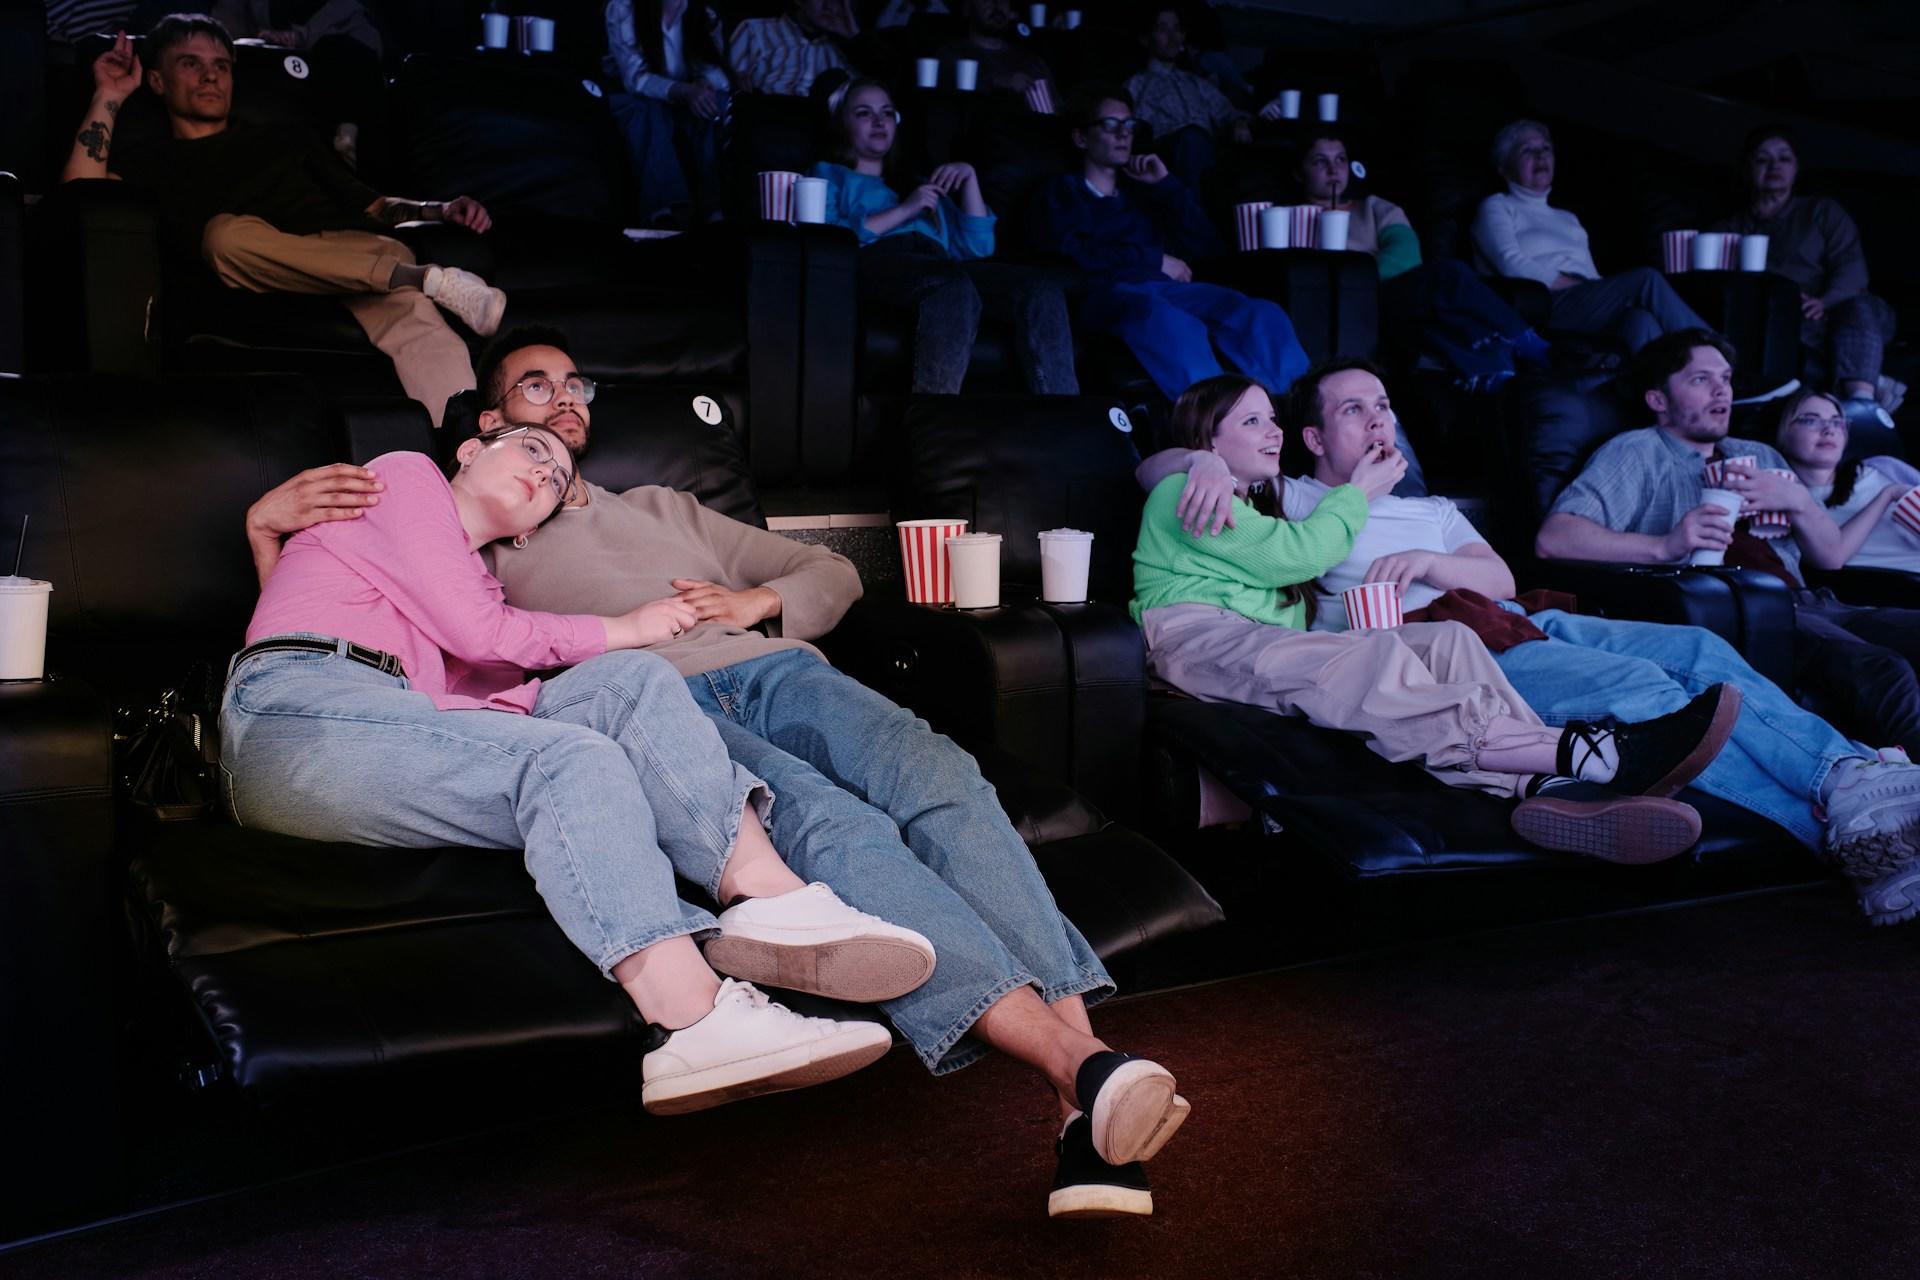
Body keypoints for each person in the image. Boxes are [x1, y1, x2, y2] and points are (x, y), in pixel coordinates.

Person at [244, 328, 1191, 1220]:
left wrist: (758, 601)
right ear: (480, 432)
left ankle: (1084, 1076)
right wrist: (266, 529)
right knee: (829, 829)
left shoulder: (660, 505)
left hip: (771, 668)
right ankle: (1078, 1073)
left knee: (942, 775)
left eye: (576, 391)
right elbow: (403, 643)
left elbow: (830, 576)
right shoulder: (463, 546)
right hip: (664, 704)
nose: (561, 411)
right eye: (535, 394)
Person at [224, 413, 953, 1116]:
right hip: (297, 712)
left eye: (556, 475)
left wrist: (625, 664)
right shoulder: (406, 479)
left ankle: (766, 895)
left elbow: (492, 689)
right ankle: (694, 1021)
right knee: (566, 758)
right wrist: (626, 625)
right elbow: (474, 639)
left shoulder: (474, 584)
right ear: (470, 452)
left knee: (627, 683)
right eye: (531, 450)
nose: (545, 469)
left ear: (527, 531)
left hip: (397, 719)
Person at [1141, 357, 1920, 925]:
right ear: (1311, 435)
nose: (1379, 420)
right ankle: (1852, 824)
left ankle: (1848, 781)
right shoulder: (1297, 497)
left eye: (1385, 404)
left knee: (1703, 654)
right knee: (1654, 695)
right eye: (1355, 411)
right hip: (1447, 634)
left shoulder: (1436, 505)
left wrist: (1430, 557)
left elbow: (1502, 574)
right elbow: (1173, 468)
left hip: (1512, 614)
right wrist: (1198, 456)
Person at [1131, 371, 1736, 862]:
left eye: (1271, 416)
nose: (1274, 431)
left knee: (1447, 640)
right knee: (1376, 656)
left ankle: (1542, 784)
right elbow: (1302, 554)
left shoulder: (1252, 503)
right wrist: (1195, 462)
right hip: (1198, 634)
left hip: (1262, 636)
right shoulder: (1192, 492)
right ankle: (1588, 754)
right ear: (1208, 437)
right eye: (1252, 420)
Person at [61, 17, 502, 428]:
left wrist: (438, 210)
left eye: (220, 65)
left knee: (420, 328)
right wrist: (109, 95)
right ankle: (420, 279)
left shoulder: (285, 137)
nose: (211, 76)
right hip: (259, 271)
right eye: (191, 64)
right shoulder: (152, 161)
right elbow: (80, 194)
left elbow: (373, 206)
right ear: (157, 80)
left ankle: (469, 451)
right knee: (225, 236)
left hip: (353, 253)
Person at [1535, 328, 1920, 761]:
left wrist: (1797, 500)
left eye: (1726, 378)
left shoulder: (1759, 454)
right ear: (1658, 400)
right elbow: (1555, 538)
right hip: (1749, 614)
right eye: (1701, 379)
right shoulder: (1638, 453)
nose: (1723, 390)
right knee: (1884, 670)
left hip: (1817, 599)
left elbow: (1829, 555)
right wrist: (1665, 545)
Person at [1032, 87, 1307, 403]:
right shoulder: (1061, 192)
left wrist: (1167, 186)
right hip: (1108, 291)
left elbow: (1208, 247)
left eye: (1130, 125)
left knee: (1259, 313)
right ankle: (1215, 422)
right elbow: (1071, 255)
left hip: (1168, 290)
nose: (1124, 134)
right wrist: (1153, 261)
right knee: (1170, 321)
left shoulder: (1143, 195)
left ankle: (1293, 412)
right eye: (1110, 124)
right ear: (1081, 138)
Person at [813, 75, 1077, 395]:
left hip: (942, 262)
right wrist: (906, 210)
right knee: (952, 287)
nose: (879, 121)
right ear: (842, 124)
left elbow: (979, 248)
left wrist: (970, 179)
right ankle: (933, 421)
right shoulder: (827, 174)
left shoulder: (920, 182)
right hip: (882, 257)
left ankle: (1062, 419)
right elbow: (828, 238)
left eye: (887, 112)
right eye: (864, 113)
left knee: (1041, 288)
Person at [1287, 131, 1551, 390]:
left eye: (1341, 159)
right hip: (1333, 306)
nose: (1333, 169)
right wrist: (1349, 282)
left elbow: (1406, 255)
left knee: (1445, 281)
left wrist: (1358, 281)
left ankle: (1501, 364)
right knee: (1438, 297)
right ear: (1299, 173)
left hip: (1388, 291)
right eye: (1320, 161)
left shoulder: (1376, 208)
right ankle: (1515, 349)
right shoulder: (1289, 220)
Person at [1711, 125, 1903, 429]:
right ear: (1748, 168)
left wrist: (1825, 301)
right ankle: (1872, 382)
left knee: (1858, 306)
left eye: (1783, 158)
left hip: (1837, 304)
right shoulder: (1732, 226)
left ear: (1797, 167)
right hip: (1784, 317)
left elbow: (1851, 266)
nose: (1774, 166)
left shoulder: (1821, 212)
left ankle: (1863, 407)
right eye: (1763, 159)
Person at [1472, 119, 1708, 355]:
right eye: (1527, 150)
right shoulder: (1496, 206)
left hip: (1585, 299)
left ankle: (1689, 386)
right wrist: (1577, 285)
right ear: (1503, 167)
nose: (1540, 156)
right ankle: (1715, 351)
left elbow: (1590, 272)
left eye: (1545, 148)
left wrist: (1601, 290)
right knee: (1646, 279)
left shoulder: (1568, 218)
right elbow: (1509, 263)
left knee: (1640, 320)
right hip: (1546, 303)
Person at [604, 0, 734, 228]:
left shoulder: (704, 14)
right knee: (647, 109)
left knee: (715, 103)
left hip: (685, 98)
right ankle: (667, 209)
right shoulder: (624, 9)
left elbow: (716, 71)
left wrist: (702, 84)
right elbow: (635, 78)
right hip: (638, 98)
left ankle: (714, 209)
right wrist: (685, 91)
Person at [1772, 389, 1920, 573]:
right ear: (1782, 432)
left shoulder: (1885, 468)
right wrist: (1888, 494)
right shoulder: (1788, 498)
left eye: (1836, 422)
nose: (1828, 430)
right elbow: (1832, 557)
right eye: (1810, 420)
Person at [1125, 6, 1249, 189]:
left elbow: (1228, 113)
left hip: (1207, 147)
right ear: (1145, 39)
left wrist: (1240, 122)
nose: (1173, 36)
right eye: (1163, 29)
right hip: (1165, 150)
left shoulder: (1197, 82)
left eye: (1177, 29)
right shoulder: (1135, 84)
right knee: (1191, 139)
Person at [728, 0, 857, 96]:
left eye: (837, 1)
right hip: (765, 117)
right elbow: (726, 84)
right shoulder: (755, 31)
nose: (829, 6)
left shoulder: (841, 50)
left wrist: (854, 37)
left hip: (818, 125)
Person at [934, 0, 1052, 96]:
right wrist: (999, 82)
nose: (997, 4)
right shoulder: (952, 54)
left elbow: (1057, 108)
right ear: (967, 8)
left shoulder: (1031, 60)